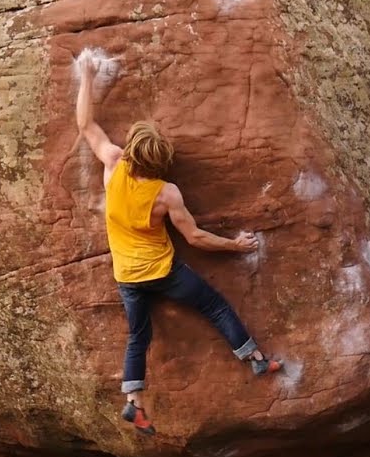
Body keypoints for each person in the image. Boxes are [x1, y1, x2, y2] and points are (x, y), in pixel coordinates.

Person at [73, 52, 283, 436]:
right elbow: (195, 237)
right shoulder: (166, 194)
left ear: (133, 151)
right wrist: (237, 245)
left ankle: (134, 403)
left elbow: (86, 124)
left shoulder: (114, 164)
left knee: (139, 336)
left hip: (127, 277)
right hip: (164, 273)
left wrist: (86, 74)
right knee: (215, 306)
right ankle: (255, 358)